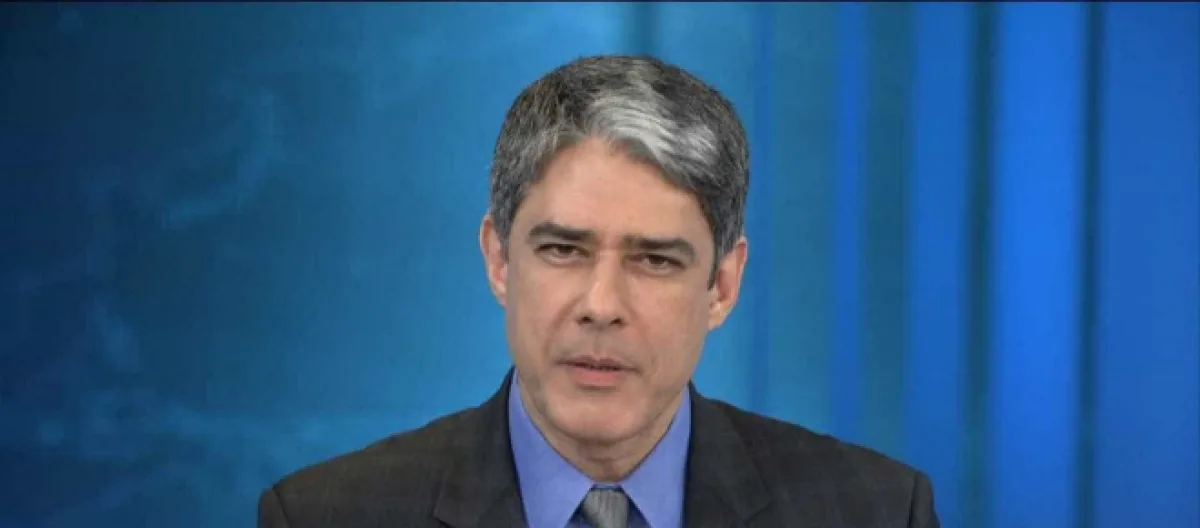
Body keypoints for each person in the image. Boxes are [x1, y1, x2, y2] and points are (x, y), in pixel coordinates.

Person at [258, 54, 939, 528]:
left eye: (655, 260)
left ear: (723, 285)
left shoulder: (877, 512)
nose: (601, 305)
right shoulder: (324, 516)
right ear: (499, 260)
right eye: (563, 250)